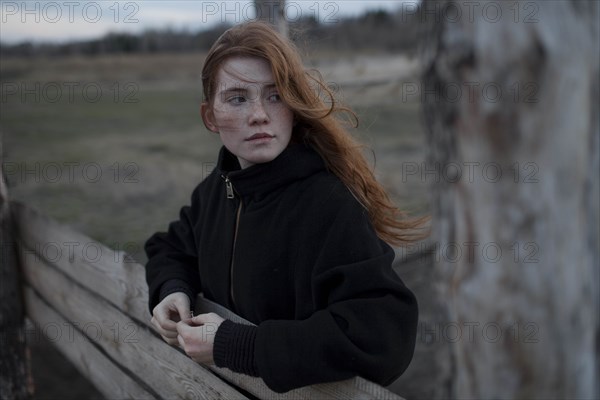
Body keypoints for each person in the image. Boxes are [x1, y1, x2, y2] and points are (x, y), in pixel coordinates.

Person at [145, 21, 425, 394]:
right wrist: (172, 289)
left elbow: (383, 336)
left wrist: (237, 345)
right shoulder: (217, 191)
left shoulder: (327, 205)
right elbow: (170, 246)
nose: (259, 114)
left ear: (293, 107)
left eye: (275, 95)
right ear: (210, 116)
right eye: (238, 98)